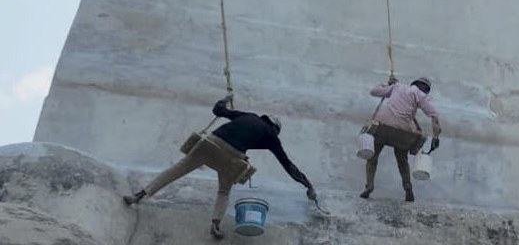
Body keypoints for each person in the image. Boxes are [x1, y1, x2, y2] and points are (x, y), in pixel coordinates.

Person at [123, 94, 317, 239]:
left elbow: (218, 110)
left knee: (176, 171)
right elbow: (287, 164)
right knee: (224, 191)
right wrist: (307, 184)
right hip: (232, 157)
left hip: (212, 143)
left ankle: (139, 195)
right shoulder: (271, 136)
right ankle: (215, 224)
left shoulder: (248, 116)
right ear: (275, 128)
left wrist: (225, 99)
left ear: (264, 117)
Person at [360, 76, 441, 202]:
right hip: (402, 133)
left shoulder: (397, 87)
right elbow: (434, 116)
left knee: (372, 158)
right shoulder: (420, 95)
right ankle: (407, 187)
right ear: (425, 89)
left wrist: (385, 85)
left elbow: (374, 91)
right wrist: (436, 137)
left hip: (382, 127)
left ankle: (369, 185)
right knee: (402, 161)